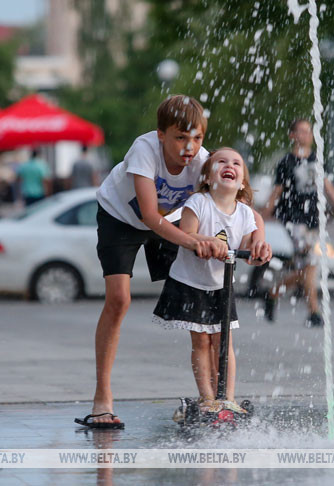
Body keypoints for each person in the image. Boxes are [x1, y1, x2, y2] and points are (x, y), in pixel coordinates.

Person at [79, 95, 270, 428]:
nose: (189, 147)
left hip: (173, 223)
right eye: (180, 137)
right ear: (161, 135)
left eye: (196, 138)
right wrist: (197, 241)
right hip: (122, 219)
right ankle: (102, 400)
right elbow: (151, 217)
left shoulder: (205, 161)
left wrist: (258, 239)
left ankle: (214, 399)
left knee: (204, 299)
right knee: (119, 300)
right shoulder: (144, 150)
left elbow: (246, 208)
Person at [153, 148, 270, 413]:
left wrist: (260, 247)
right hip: (190, 282)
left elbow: (252, 243)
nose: (230, 165)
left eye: (236, 163)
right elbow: (187, 232)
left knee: (224, 341)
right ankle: (207, 398)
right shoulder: (198, 202)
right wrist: (203, 241)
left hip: (221, 285)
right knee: (202, 341)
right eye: (221, 161)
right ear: (207, 177)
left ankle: (227, 398)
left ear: (242, 182)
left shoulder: (244, 213)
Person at [262, 118, 334, 327]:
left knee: (308, 268)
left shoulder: (315, 159)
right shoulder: (286, 162)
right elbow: (277, 190)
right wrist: (263, 214)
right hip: (295, 221)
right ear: (292, 136)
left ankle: (273, 292)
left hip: (314, 220)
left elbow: (327, 185)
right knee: (311, 264)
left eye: (309, 131)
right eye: (302, 131)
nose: (307, 135)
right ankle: (314, 312)